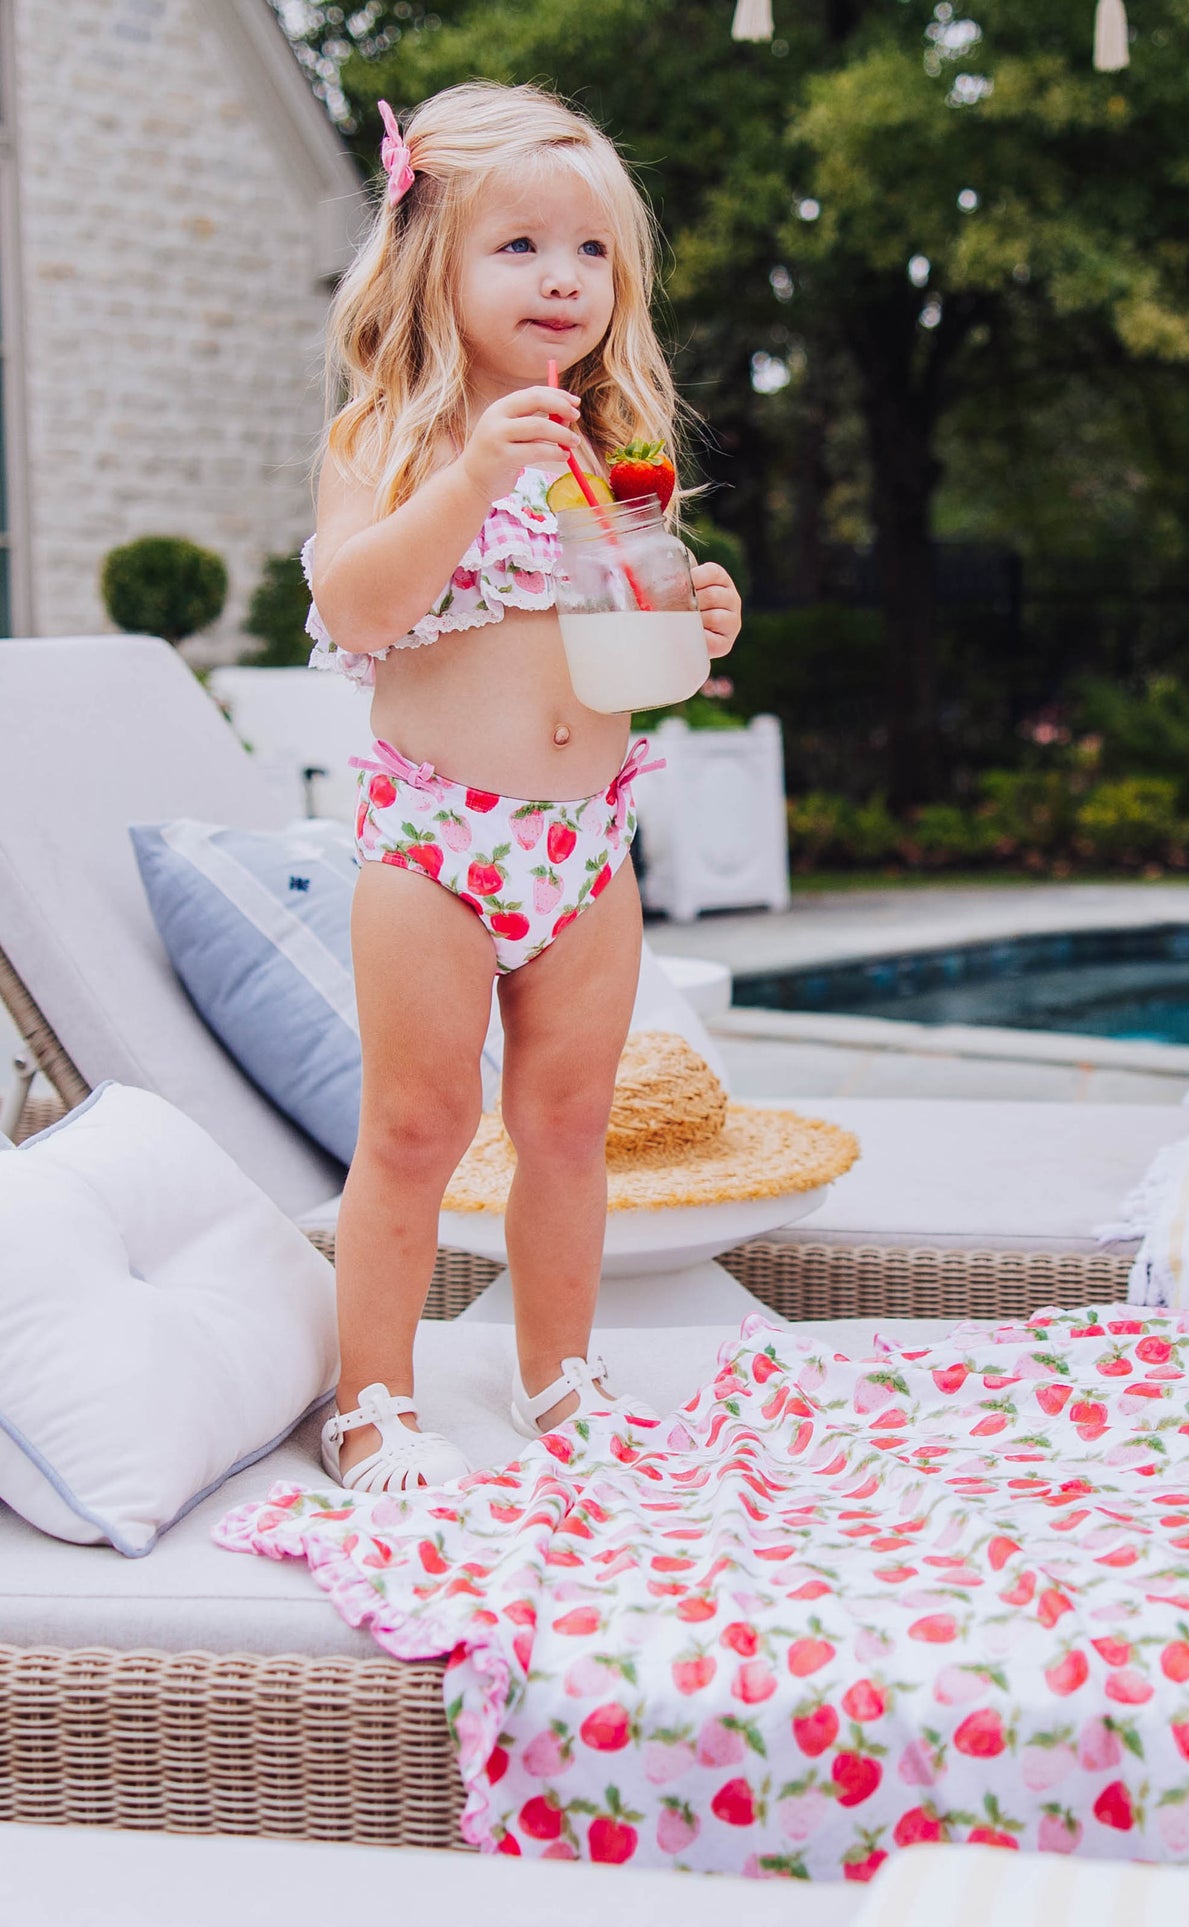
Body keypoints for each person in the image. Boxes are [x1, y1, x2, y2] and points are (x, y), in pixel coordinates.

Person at [303, 82, 742, 1491]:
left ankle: (561, 1375)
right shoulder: (389, 437)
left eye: (592, 252)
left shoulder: (614, 457)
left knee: (566, 1127)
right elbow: (359, 608)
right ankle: (372, 1397)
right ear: (434, 258)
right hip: (435, 842)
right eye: (520, 247)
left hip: (584, 849)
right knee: (418, 1130)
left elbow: (613, 665)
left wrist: (699, 626)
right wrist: (467, 481)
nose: (562, 278)